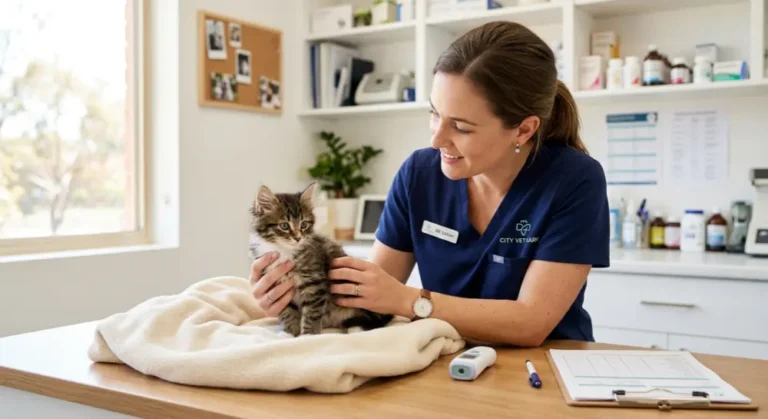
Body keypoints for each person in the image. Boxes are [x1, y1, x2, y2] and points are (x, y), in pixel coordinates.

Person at [249, 21, 609, 347]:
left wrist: (410, 300)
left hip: (545, 369)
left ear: (524, 129)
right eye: (434, 114)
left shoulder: (574, 180)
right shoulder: (419, 174)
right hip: (442, 359)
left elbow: (530, 323)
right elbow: (374, 295)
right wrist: (288, 293)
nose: (437, 140)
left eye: (462, 127)